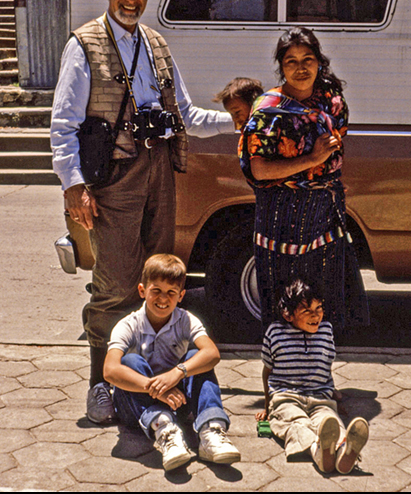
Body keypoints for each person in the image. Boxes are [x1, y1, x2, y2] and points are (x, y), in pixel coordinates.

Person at [50, 0, 235, 424]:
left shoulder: (156, 44)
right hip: (112, 178)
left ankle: (145, 377)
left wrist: (238, 118)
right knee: (113, 284)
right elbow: (63, 124)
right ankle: (100, 382)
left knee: (156, 279)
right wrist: (74, 186)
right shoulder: (84, 43)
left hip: (159, 171)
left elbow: (186, 115)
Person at [238, 27, 369, 333]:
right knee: (283, 301)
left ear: (319, 63)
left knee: (324, 302)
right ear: (281, 68)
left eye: (307, 59)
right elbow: (259, 170)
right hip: (280, 214)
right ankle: (279, 374)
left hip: (324, 213)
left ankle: (318, 371)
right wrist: (311, 160)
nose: (301, 68)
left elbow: (335, 150)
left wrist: (328, 176)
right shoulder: (268, 110)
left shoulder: (332, 103)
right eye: (291, 61)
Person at [104, 254, 241, 471]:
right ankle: (165, 432)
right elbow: (110, 370)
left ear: (181, 296)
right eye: (155, 290)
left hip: (176, 399)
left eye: (171, 293)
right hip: (134, 404)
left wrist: (177, 373)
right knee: (130, 360)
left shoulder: (186, 319)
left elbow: (212, 353)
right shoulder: (128, 324)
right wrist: (156, 390)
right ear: (142, 291)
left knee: (196, 357)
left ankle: (210, 430)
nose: (163, 299)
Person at [255, 279, 369, 473]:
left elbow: (326, 366)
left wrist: (333, 394)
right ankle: (318, 451)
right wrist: (267, 407)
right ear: (288, 315)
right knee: (297, 424)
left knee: (329, 420)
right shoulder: (275, 333)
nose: (316, 315)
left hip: (320, 398)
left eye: (319, 308)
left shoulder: (326, 331)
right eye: (307, 311)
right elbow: (267, 372)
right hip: (286, 397)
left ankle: (344, 452)